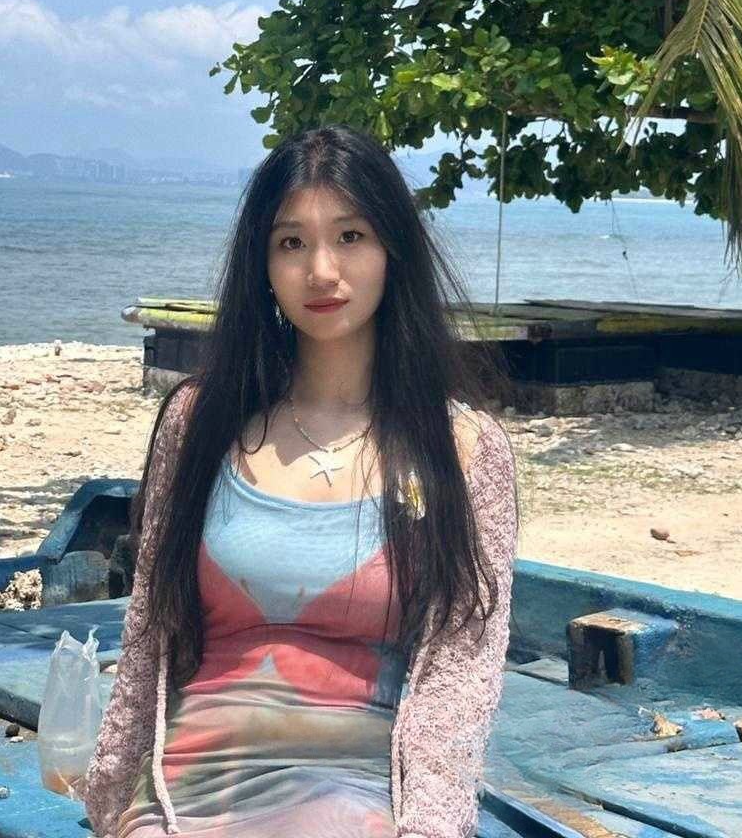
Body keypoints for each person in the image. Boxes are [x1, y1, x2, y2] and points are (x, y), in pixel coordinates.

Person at [82, 125, 520, 838]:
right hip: (187, 785)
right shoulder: (199, 424)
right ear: (262, 263)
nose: (321, 270)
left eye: (350, 236)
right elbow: (149, 631)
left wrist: (429, 827)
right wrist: (115, 804)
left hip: (362, 789)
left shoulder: (463, 451)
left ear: (393, 251)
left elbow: (461, 669)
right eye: (291, 242)